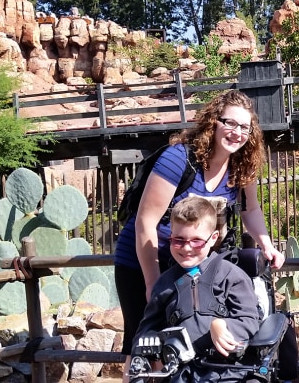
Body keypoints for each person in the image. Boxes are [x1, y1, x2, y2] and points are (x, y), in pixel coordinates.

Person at [115, 90, 285, 379]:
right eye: (230, 123)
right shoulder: (179, 158)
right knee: (145, 341)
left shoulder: (241, 167)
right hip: (144, 257)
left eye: (245, 127)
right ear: (213, 123)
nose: (237, 133)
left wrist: (266, 244)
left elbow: (250, 210)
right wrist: (153, 283)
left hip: (191, 260)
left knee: (191, 338)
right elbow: (146, 221)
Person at [130, 195, 260, 382]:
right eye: (179, 240)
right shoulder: (165, 283)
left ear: (213, 237)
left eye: (197, 241)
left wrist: (223, 325)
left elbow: (249, 319)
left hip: (228, 371)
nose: (187, 248)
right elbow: (146, 328)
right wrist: (150, 341)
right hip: (180, 372)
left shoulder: (232, 276)